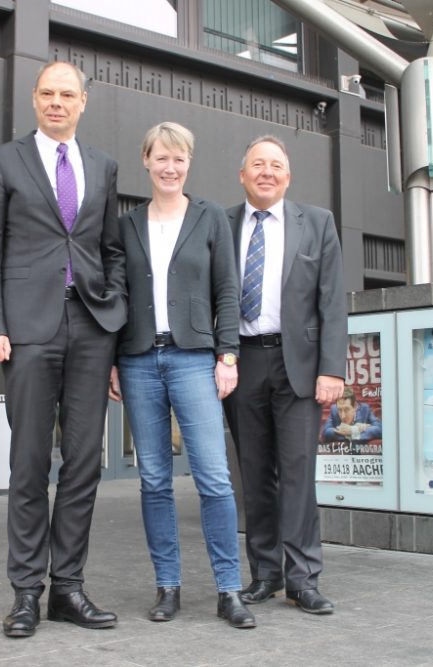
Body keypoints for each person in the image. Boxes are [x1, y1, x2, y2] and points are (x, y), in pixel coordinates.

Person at [0, 61, 127, 639]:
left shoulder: (104, 167)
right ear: (34, 100)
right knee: (29, 462)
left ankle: (69, 588)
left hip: (90, 327)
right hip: (28, 329)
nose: (57, 102)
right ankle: (26, 593)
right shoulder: (4, 161)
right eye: (47, 94)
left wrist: (115, 315)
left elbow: (112, 249)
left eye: (67, 94)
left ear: (83, 101)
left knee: (85, 463)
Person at [108, 122, 255, 629]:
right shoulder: (127, 225)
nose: (170, 167)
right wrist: (111, 358)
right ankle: (167, 585)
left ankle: (228, 589)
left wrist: (228, 355)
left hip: (195, 358)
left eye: (179, 159)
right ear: (145, 161)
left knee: (214, 478)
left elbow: (227, 291)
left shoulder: (210, 217)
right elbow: (117, 297)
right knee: (153, 480)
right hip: (139, 361)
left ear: (188, 163)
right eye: (161, 158)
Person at [223, 135, 346, 615]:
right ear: (243, 174)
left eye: (276, 165)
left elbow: (332, 302)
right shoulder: (221, 223)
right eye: (258, 164)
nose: (267, 172)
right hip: (241, 363)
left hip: (300, 366)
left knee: (298, 475)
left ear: (288, 177)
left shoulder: (317, 223)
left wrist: (331, 369)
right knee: (254, 476)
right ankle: (265, 573)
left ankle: (303, 578)